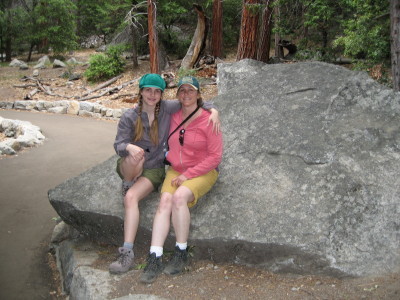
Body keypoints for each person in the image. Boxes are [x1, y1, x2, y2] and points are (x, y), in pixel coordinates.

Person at [110, 74, 220, 274]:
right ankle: (155, 254)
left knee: (173, 198)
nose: (152, 95)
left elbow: (214, 155)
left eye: (157, 91)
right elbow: (118, 144)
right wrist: (129, 147)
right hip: (156, 167)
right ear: (141, 92)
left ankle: (173, 253)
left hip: (180, 170)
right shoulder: (146, 114)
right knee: (159, 194)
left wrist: (213, 110)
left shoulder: (189, 115)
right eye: (148, 90)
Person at [140, 76, 223, 283]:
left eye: (191, 90)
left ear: (198, 94)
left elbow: (215, 157)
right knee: (165, 201)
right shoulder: (172, 114)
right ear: (177, 94)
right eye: (182, 91)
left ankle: (181, 251)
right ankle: (155, 255)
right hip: (176, 170)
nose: (186, 94)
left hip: (203, 171)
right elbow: (148, 109)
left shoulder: (208, 119)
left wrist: (188, 175)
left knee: (179, 198)